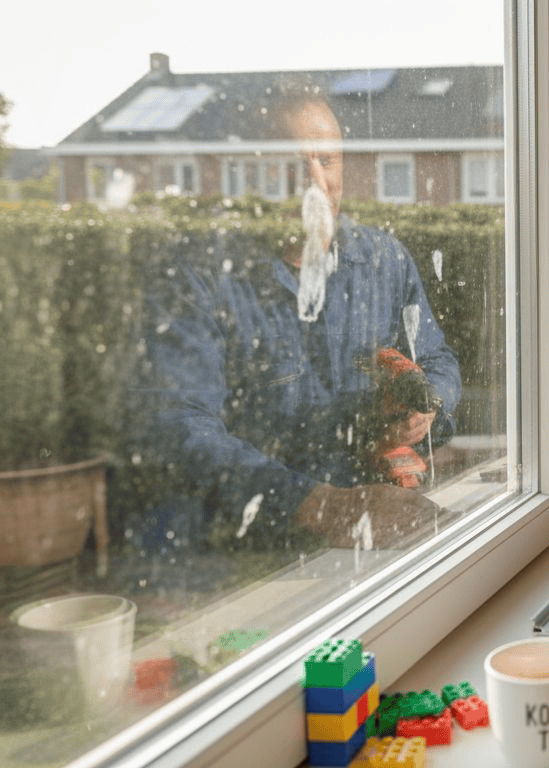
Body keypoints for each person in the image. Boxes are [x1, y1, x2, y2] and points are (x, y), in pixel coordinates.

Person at [124, 80, 461, 554]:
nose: (314, 184)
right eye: (290, 165)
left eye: (327, 160)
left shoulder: (385, 261)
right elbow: (180, 427)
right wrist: (323, 506)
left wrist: (425, 412)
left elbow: (437, 360)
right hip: (249, 551)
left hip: (376, 533)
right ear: (251, 174)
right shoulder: (200, 277)